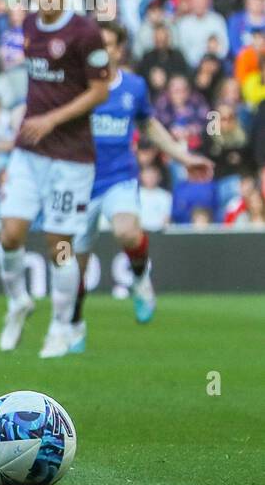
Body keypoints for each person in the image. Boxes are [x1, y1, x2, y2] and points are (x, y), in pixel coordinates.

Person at [0, 0, 111, 359]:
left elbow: (100, 90)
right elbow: (36, 88)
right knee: (9, 234)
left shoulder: (85, 34)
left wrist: (51, 120)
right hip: (29, 152)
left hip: (71, 158)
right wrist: (24, 129)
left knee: (58, 246)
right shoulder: (27, 26)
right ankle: (18, 303)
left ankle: (62, 326)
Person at [71, 21, 215, 343]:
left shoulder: (133, 87)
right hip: (80, 182)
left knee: (127, 230)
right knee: (75, 265)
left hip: (118, 177)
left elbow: (150, 127)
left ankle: (140, 280)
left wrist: (185, 157)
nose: (102, 50)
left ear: (118, 49)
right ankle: (75, 321)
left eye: (109, 44)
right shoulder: (76, 86)